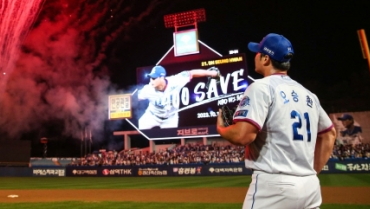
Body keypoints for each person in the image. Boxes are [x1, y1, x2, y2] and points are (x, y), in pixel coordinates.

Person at [217, 33, 336, 209]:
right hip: (309, 187)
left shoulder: (261, 87)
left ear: (266, 59)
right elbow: (329, 134)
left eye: (258, 52)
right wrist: (310, 173)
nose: (255, 55)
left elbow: (243, 136)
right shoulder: (309, 95)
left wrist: (221, 128)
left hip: (274, 187)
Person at [138, 65, 220, 129]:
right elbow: (134, 99)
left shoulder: (176, 81)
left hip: (170, 119)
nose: (151, 81)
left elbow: (192, 73)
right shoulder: (147, 89)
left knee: (170, 141)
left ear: (162, 77)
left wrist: (212, 73)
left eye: (154, 78)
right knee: (140, 128)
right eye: (150, 78)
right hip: (152, 116)